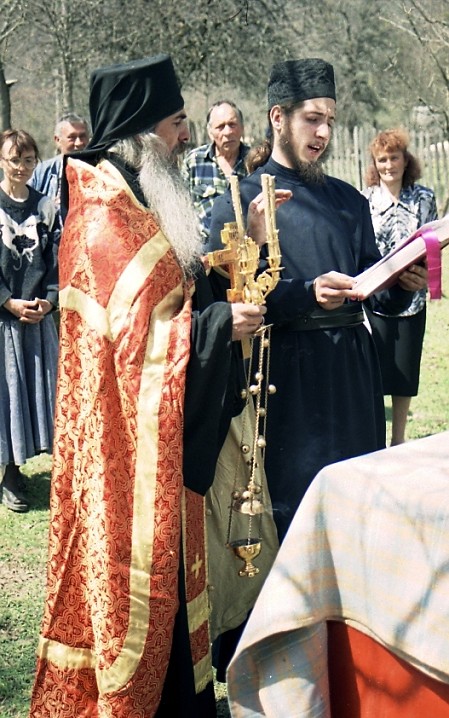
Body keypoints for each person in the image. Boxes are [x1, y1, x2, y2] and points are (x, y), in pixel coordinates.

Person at [28, 54, 266, 718]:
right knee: (138, 595)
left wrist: (230, 275)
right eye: (175, 123)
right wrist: (218, 329)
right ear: (139, 131)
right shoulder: (103, 219)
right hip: (121, 461)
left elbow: (175, 295)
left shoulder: (136, 196)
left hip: (156, 451)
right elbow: (138, 353)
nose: (186, 136)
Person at [209, 58, 428, 544]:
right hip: (284, 378)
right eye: (312, 118)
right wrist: (307, 293)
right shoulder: (240, 202)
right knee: (295, 517)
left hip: (353, 373)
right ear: (278, 117)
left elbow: (371, 283)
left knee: (358, 507)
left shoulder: (349, 201)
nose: (324, 132)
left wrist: (401, 284)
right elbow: (225, 298)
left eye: (330, 119)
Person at [362, 129, 438, 445]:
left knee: (405, 372)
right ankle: (376, 438)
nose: (389, 165)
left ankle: (398, 439)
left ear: (406, 160)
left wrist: (426, 276)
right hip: (376, 299)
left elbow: (433, 245)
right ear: (374, 164)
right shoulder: (364, 200)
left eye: (394, 158)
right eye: (382, 159)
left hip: (412, 296)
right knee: (375, 371)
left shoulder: (424, 198)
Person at [0, 129, 59, 513]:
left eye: (27, 160)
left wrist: (49, 301)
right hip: (4, 320)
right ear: (1, 161)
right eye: (13, 160)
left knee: (40, 394)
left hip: (38, 319)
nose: (20, 167)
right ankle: (9, 473)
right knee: (7, 395)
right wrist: (7, 301)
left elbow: (58, 260)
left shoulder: (46, 207)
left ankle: (56, 469)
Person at [182, 100, 250, 243]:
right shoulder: (194, 161)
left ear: (242, 128)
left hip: (248, 248)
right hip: (205, 248)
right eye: (220, 127)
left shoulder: (255, 161)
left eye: (232, 124)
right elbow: (182, 209)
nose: (228, 132)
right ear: (210, 132)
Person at [30, 112, 90, 211]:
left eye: (83, 136)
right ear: (57, 140)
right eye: (72, 137)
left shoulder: (99, 169)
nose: (79, 143)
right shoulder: (41, 172)